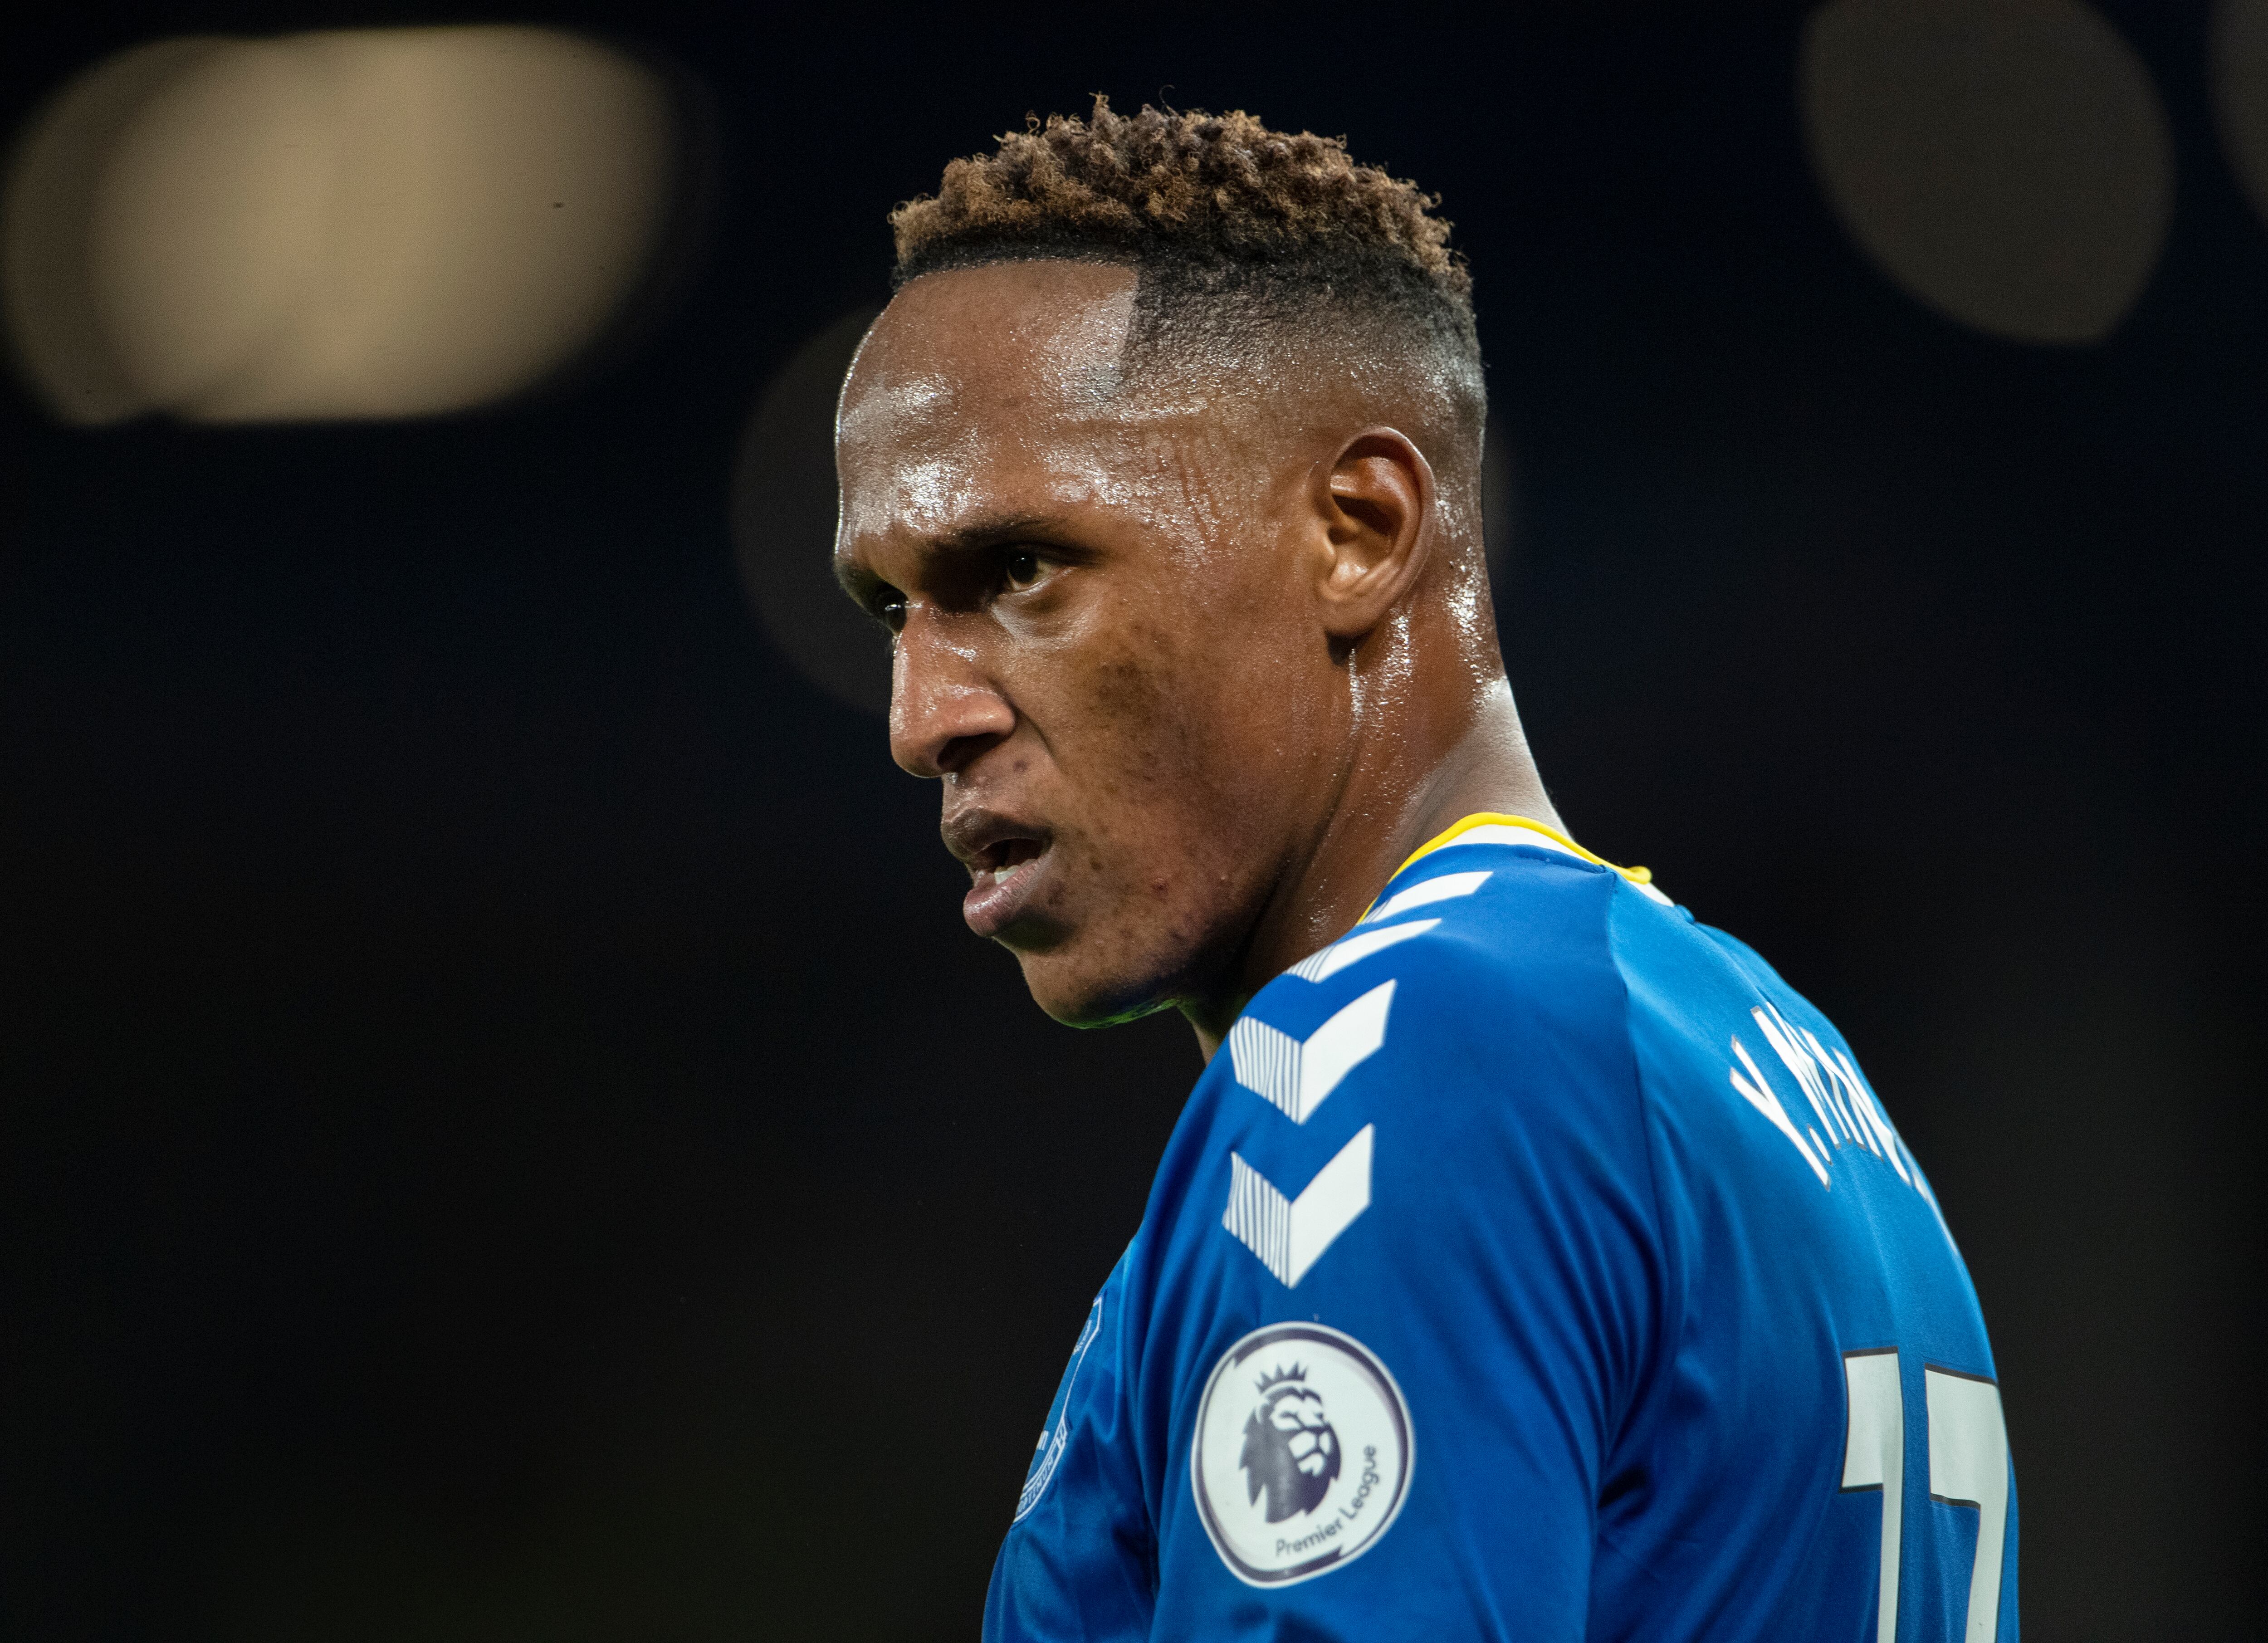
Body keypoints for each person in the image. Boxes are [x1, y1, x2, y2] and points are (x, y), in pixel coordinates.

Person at [830, 99, 2016, 1643]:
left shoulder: (1396, 1056)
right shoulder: (1776, 1063)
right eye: (892, 614)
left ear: (1358, 529)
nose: (927, 720)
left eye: (1022, 572)